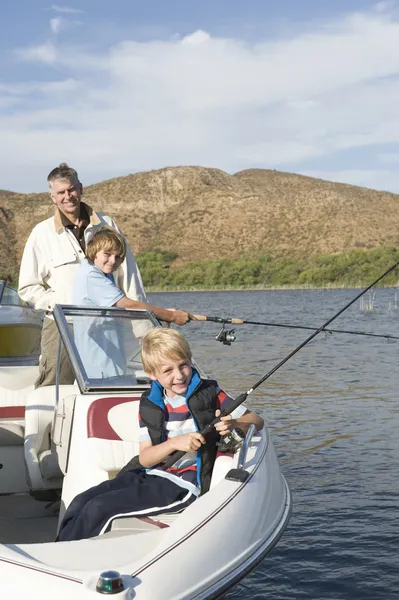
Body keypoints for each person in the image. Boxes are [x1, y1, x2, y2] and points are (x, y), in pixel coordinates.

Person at [56, 328, 264, 541]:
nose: (179, 375)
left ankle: (71, 555)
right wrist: (175, 443)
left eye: (183, 365)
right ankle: (58, 553)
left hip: (183, 485)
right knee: (81, 501)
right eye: (168, 370)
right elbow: (145, 458)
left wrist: (234, 424)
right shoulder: (150, 404)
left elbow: (257, 421)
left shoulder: (211, 393)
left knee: (98, 508)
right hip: (148, 474)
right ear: (151, 374)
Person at [18, 162, 188, 387]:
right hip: (62, 325)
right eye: (61, 192)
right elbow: (27, 288)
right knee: (55, 385)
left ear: (80, 188)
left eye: (71, 189)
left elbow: (129, 278)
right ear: (52, 196)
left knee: (109, 382)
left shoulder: (107, 224)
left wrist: (145, 330)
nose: (67, 196)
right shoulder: (41, 233)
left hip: (110, 325)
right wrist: (65, 303)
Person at [72, 226, 190, 378]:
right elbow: (128, 304)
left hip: (110, 356)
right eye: (107, 254)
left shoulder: (102, 271)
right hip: (98, 361)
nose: (113, 261)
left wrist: (161, 313)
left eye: (118, 256)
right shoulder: (91, 275)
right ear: (94, 252)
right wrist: (171, 316)